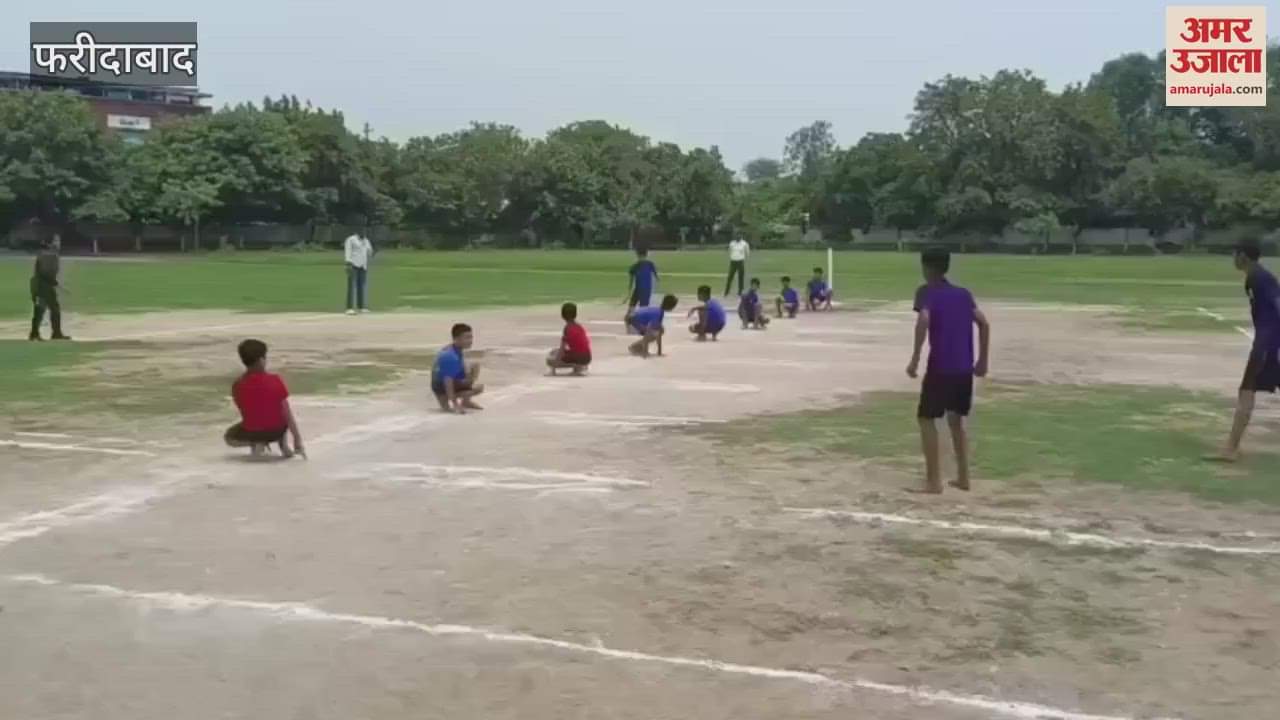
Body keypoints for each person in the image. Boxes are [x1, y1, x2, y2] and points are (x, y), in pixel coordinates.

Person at [906, 248, 990, 494]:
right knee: (956, 420)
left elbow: (923, 320)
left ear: (926, 267)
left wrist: (915, 359)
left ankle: (934, 481)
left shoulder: (926, 292)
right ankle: (963, 477)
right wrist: (982, 360)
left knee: (926, 418)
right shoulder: (963, 294)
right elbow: (984, 323)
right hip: (963, 368)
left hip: (940, 367)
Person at [1211, 239, 1280, 462]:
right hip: (1268, 343)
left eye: (1235, 254)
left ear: (1244, 256)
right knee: (1246, 390)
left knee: (1246, 390)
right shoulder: (1255, 277)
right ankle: (1232, 447)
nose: (1233, 258)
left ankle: (1231, 448)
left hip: (1268, 345)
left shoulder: (1259, 277)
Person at [223, 339, 306, 458]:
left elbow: (245, 411)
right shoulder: (275, 380)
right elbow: (287, 412)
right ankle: (283, 445)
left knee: (229, 437)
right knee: (278, 414)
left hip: (253, 432)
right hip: (277, 431)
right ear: (262, 360)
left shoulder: (237, 384)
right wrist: (297, 439)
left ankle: (257, 443)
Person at [432, 323, 485, 413]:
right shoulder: (450, 356)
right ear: (456, 339)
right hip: (441, 389)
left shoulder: (455, 348)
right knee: (478, 388)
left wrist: (467, 374)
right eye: (467, 338)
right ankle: (449, 400)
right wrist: (455, 404)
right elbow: (447, 381)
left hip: (446, 383)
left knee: (475, 366)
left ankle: (466, 402)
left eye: (471, 337)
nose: (470, 341)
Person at [29, 234, 70, 341]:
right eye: (56, 240)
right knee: (50, 308)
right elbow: (44, 273)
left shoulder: (47, 253)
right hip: (43, 285)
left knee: (42, 309)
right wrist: (56, 284)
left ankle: (36, 333)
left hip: (41, 284)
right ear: (50, 243)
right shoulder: (49, 255)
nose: (59, 243)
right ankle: (54, 333)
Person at [547, 302, 592, 375]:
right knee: (555, 351)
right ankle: (579, 367)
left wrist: (555, 364)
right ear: (575, 314)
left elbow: (562, 349)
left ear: (562, 315)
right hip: (587, 357)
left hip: (580, 358)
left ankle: (578, 367)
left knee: (550, 359)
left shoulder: (567, 328)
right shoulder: (579, 327)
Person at [624, 248, 660, 332]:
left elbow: (631, 281)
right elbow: (656, 277)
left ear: (637, 255)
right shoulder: (650, 264)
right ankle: (640, 325)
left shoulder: (634, 266)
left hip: (638, 290)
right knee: (643, 309)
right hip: (645, 290)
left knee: (632, 307)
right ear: (647, 255)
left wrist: (629, 292)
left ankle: (629, 324)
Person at [344, 227, 374, 315]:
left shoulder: (366, 240)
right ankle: (349, 308)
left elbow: (369, 253)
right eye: (362, 231)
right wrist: (348, 263)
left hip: (363, 266)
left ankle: (361, 307)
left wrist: (373, 251)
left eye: (365, 231)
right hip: (353, 264)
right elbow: (348, 251)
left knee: (361, 287)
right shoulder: (351, 239)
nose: (364, 233)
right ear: (357, 231)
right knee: (351, 286)